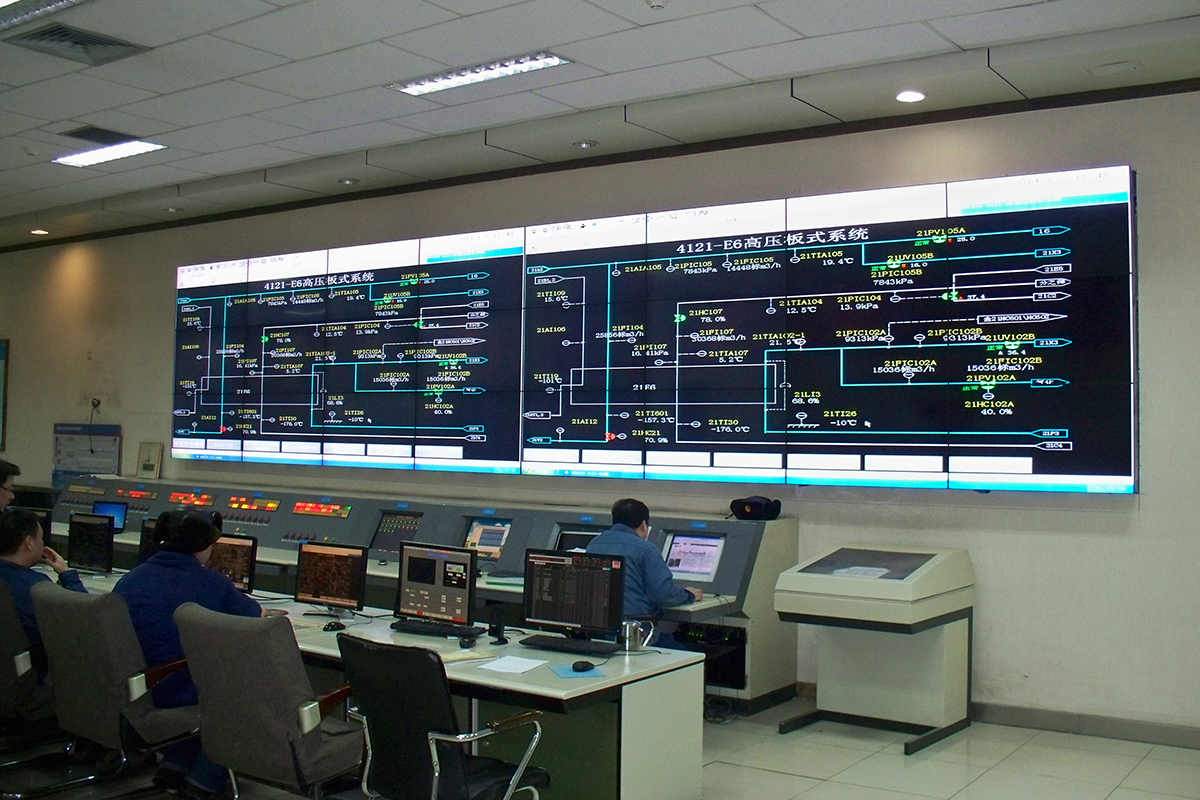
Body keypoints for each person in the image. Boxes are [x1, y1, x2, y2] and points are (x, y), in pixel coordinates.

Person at [114, 511, 278, 800]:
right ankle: (203, 780)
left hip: (138, 688)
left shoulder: (130, 579)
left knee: (204, 677)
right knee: (245, 687)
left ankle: (175, 766)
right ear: (203, 546)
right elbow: (255, 617)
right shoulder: (210, 583)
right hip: (172, 689)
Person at [587, 498, 703, 648]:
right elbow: (663, 594)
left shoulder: (594, 544)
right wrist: (688, 595)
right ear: (643, 525)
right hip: (637, 635)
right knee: (694, 653)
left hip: (601, 633)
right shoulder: (646, 549)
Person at [0, 507, 88, 649]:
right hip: (39, 660)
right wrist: (66, 574)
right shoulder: (36, 587)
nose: (43, 544)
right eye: (41, 538)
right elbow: (85, 618)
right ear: (29, 542)